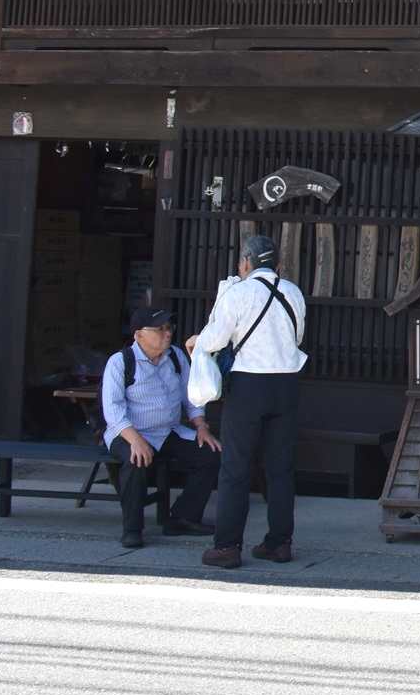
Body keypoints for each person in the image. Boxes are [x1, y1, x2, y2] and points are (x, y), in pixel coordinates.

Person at [187, 234, 307, 570]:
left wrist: (195, 340)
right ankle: (279, 543)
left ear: (245, 263)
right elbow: (296, 338)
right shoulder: (294, 293)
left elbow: (214, 340)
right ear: (278, 265)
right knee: (280, 469)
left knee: (235, 468)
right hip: (286, 384)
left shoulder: (238, 293)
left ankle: (226, 547)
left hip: (249, 386)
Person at [101, 307, 221, 548]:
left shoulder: (175, 356)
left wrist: (201, 426)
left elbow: (191, 397)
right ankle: (132, 529)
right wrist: (134, 439)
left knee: (210, 454)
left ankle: (182, 518)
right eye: (160, 329)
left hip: (167, 431)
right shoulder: (121, 361)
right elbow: (113, 410)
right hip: (128, 431)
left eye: (169, 328)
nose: (167, 334)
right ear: (138, 335)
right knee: (136, 460)